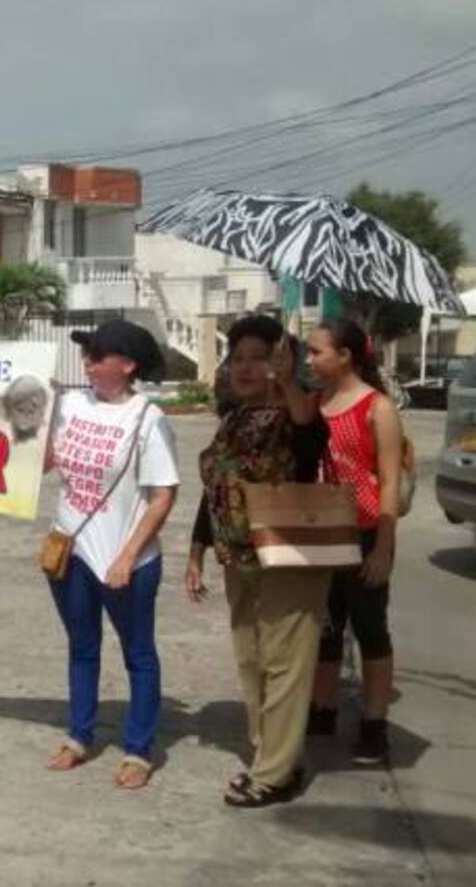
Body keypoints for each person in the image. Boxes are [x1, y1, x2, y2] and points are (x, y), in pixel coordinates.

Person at [185, 315, 331, 808]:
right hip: (238, 556)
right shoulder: (234, 417)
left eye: (259, 357)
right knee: (250, 660)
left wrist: (289, 383)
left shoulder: (298, 413)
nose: (245, 367)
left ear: (279, 361)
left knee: (284, 662)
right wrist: (197, 550)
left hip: (288, 553)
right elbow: (215, 490)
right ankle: (274, 753)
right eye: (238, 357)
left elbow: (311, 443)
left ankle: (273, 772)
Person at [42, 319, 179, 790]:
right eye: (87, 354)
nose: (88, 363)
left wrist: (127, 556)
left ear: (127, 365)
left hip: (127, 561)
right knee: (82, 647)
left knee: (138, 653)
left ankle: (139, 749)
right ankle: (80, 735)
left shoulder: (147, 418)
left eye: (98, 355)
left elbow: (163, 495)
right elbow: (44, 462)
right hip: (71, 550)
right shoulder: (72, 406)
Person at [305, 319, 403, 765]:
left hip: (364, 531)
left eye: (316, 351)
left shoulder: (377, 408)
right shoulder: (315, 403)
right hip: (321, 530)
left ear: (344, 356)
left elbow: (388, 482)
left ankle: (374, 722)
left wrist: (383, 546)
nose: (309, 359)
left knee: (369, 629)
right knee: (325, 627)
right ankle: (322, 707)